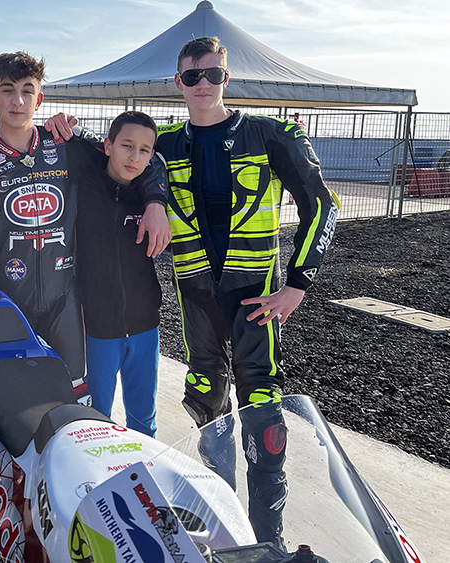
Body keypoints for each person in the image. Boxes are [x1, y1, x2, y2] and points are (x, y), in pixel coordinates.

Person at [151, 36, 337, 549]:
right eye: (193, 76)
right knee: (206, 401)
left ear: (226, 78)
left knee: (264, 413)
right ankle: (224, 535)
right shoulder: (162, 143)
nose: (203, 84)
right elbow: (108, 156)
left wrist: (298, 284)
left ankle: (268, 543)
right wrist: (61, 127)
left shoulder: (271, 133)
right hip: (196, 298)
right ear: (179, 82)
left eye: (212, 74)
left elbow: (322, 205)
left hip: (256, 297)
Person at [0, 53, 169, 405]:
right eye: (7, 90)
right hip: (6, 303)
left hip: (66, 305)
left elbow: (137, 158)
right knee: (14, 407)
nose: (17, 101)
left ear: (40, 99)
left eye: (27, 91)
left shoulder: (67, 145)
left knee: (74, 403)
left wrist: (156, 202)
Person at [76, 111, 166, 438]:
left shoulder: (150, 196)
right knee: (97, 419)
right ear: (108, 145)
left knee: (144, 420)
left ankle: (144, 468)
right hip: (98, 328)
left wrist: (157, 202)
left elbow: (158, 167)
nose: (134, 157)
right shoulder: (82, 183)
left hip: (145, 325)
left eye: (143, 150)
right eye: (127, 146)